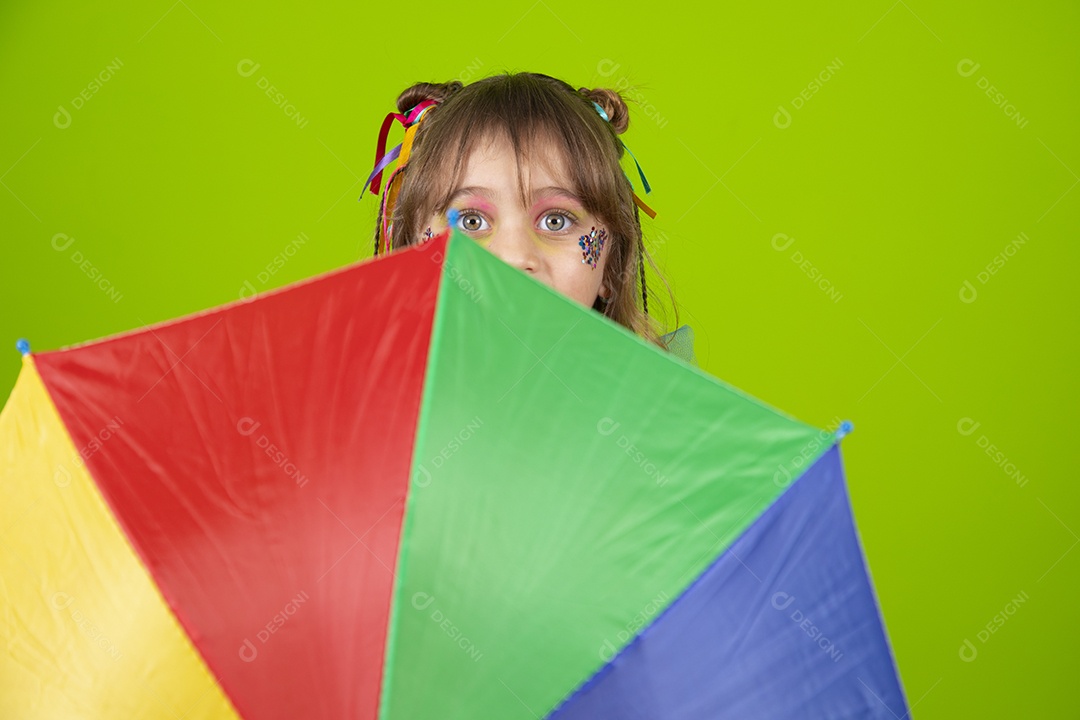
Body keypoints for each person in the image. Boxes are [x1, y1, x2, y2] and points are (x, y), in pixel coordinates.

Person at [362, 71, 695, 364]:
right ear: (409, 252)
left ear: (610, 267)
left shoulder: (660, 421)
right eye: (471, 222)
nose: (515, 258)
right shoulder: (365, 415)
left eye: (555, 221)